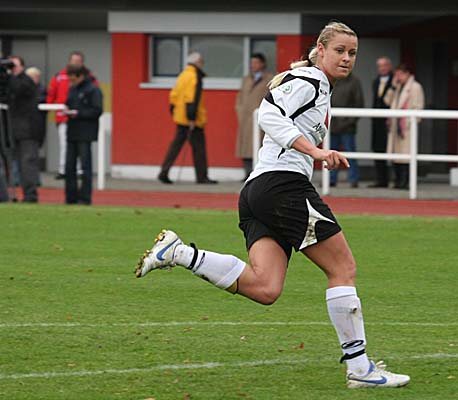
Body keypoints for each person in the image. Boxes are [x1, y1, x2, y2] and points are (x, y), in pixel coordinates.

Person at [135, 22, 410, 389]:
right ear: (320, 50)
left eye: (352, 53)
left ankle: (180, 253)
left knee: (266, 287)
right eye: (340, 50)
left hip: (259, 191)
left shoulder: (316, 84)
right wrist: (315, 151)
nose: (347, 58)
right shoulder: (310, 80)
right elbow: (266, 114)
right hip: (283, 187)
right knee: (343, 268)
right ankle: (360, 370)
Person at [158, 52, 217, 185]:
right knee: (199, 148)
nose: (202, 64)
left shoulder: (183, 75)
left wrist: (174, 111)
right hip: (192, 120)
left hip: (180, 117)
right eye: (201, 61)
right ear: (197, 62)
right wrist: (192, 117)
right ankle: (202, 177)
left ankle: (164, 172)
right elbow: (192, 98)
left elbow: (174, 95)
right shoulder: (195, 76)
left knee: (175, 146)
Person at [47, 51, 96, 180]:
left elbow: (95, 96)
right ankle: (64, 170)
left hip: (82, 118)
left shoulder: (89, 78)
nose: (75, 63)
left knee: (82, 146)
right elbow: (51, 94)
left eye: (78, 61)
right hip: (63, 117)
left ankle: (80, 171)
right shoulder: (60, 76)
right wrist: (47, 108)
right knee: (64, 144)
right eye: (73, 61)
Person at [64, 64, 103, 205]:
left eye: (73, 79)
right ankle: (70, 197)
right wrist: (67, 110)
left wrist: (78, 113)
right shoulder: (72, 89)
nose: (71, 82)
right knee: (69, 166)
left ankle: (85, 198)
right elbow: (68, 103)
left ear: (81, 76)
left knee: (85, 167)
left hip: (85, 133)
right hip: (72, 131)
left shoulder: (93, 89)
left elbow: (97, 110)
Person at [383, 64, 425, 189]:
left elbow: (418, 106)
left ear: (407, 74)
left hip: (406, 126)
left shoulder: (415, 87)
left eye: (400, 74)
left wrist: (410, 122)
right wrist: (392, 87)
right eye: (396, 75)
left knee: (406, 155)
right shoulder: (397, 87)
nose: (398, 77)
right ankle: (398, 180)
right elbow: (387, 101)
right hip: (395, 125)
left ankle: (406, 181)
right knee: (395, 154)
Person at [235, 53, 273, 180]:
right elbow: (239, 98)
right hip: (245, 119)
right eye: (252, 63)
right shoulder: (246, 79)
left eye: (256, 62)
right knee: (245, 148)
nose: (253, 65)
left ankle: (258, 174)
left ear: (262, 64)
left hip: (260, 119)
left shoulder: (269, 79)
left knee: (259, 147)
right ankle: (247, 173)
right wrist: (240, 111)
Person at [7, 55, 39, 203]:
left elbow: (18, 89)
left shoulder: (26, 81)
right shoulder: (11, 81)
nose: (11, 68)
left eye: (14, 65)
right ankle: (14, 194)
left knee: (27, 163)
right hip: (13, 129)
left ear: (22, 67)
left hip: (28, 131)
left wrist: (9, 75)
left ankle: (30, 195)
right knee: (16, 164)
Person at [329, 71, 364, 188]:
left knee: (350, 153)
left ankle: (354, 179)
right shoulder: (332, 80)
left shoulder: (354, 82)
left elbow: (359, 104)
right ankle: (331, 179)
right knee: (331, 154)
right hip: (333, 124)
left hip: (348, 126)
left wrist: (350, 121)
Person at [370, 57, 394, 188]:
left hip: (390, 121)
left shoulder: (395, 81)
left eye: (384, 65)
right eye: (379, 66)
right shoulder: (375, 82)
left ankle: (396, 179)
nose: (382, 68)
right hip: (377, 122)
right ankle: (380, 180)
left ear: (389, 66)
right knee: (377, 148)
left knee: (391, 149)